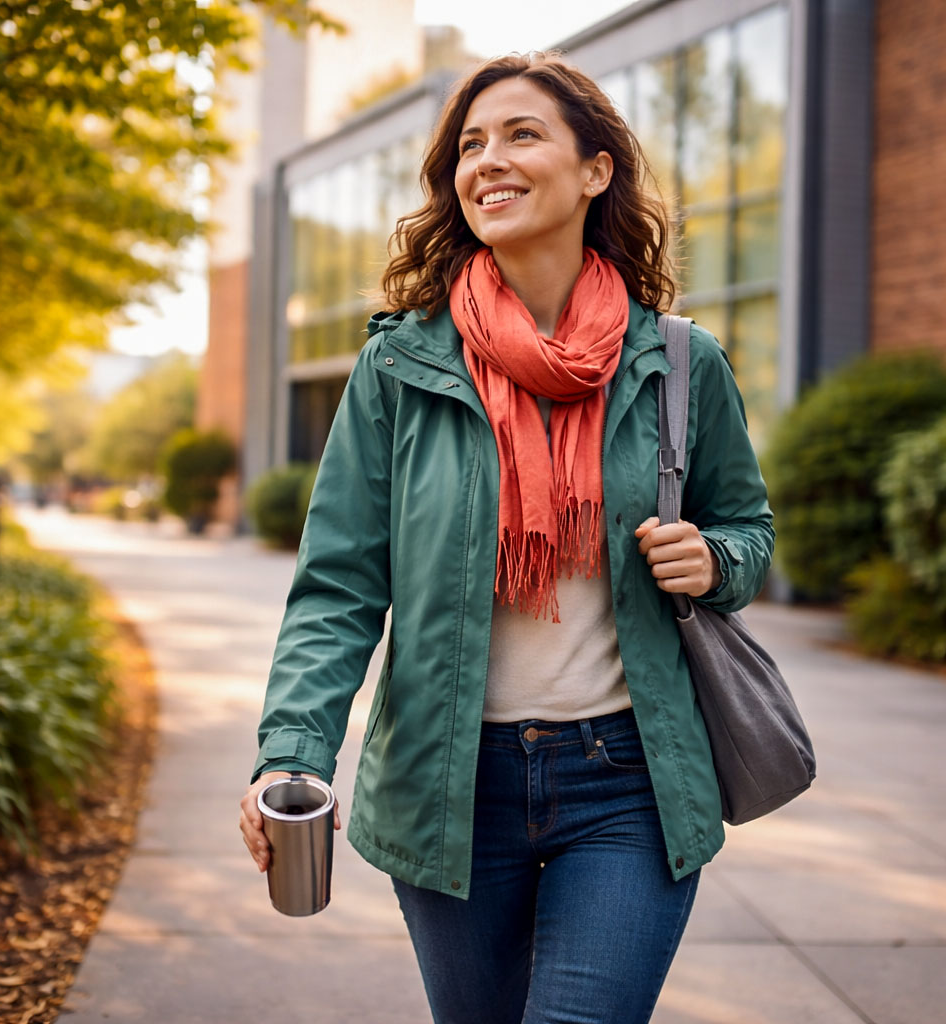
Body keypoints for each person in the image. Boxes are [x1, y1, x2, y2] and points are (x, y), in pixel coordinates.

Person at [239, 52, 774, 1024]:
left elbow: (748, 528)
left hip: (628, 780)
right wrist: (292, 751)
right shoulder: (398, 366)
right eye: (470, 145)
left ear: (594, 170)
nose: (488, 160)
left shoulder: (682, 364)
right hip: (450, 784)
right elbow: (339, 586)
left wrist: (716, 558)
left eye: (522, 134)